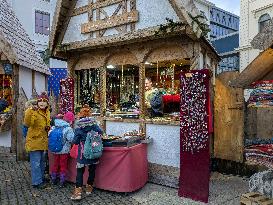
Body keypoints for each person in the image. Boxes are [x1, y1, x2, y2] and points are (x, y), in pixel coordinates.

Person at [70, 105, 103, 200]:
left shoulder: (79, 129)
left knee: (80, 172)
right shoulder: (95, 127)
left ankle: (78, 192)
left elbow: (75, 142)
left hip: (82, 155)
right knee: (92, 171)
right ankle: (89, 188)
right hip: (94, 152)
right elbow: (101, 132)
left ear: (80, 116)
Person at [24, 92, 50, 189]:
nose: (42, 103)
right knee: (35, 163)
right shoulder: (34, 111)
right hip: (34, 141)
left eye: (44, 101)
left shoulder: (47, 112)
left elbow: (45, 124)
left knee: (42, 162)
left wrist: (48, 127)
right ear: (37, 102)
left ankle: (41, 177)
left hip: (42, 141)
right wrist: (29, 111)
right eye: (40, 101)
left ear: (47, 103)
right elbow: (27, 123)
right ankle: (36, 182)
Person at [49, 111, 75, 187]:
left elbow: (49, 135)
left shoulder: (54, 126)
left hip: (55, 149)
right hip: (64, 151)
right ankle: (62, 181)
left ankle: (53, 179)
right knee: (63, 165)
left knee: (55, 164)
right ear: (71, 121)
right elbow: (71, 139)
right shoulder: (68, 129)